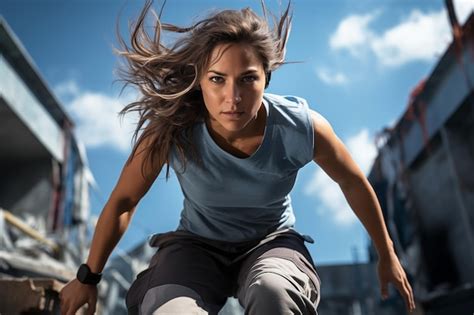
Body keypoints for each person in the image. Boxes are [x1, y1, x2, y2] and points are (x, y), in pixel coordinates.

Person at [59, 1, 416, 314]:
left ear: (266, 78)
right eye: (218, 79)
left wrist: (386, 254)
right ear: (199, 80)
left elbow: (352, 181)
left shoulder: (301, 127)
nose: (233, 97)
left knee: (273, 294)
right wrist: (88, 276)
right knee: (171, 309)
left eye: (247, 80)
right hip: (196, 246)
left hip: (271, 243)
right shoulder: (171, 130)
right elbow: (124, 199)